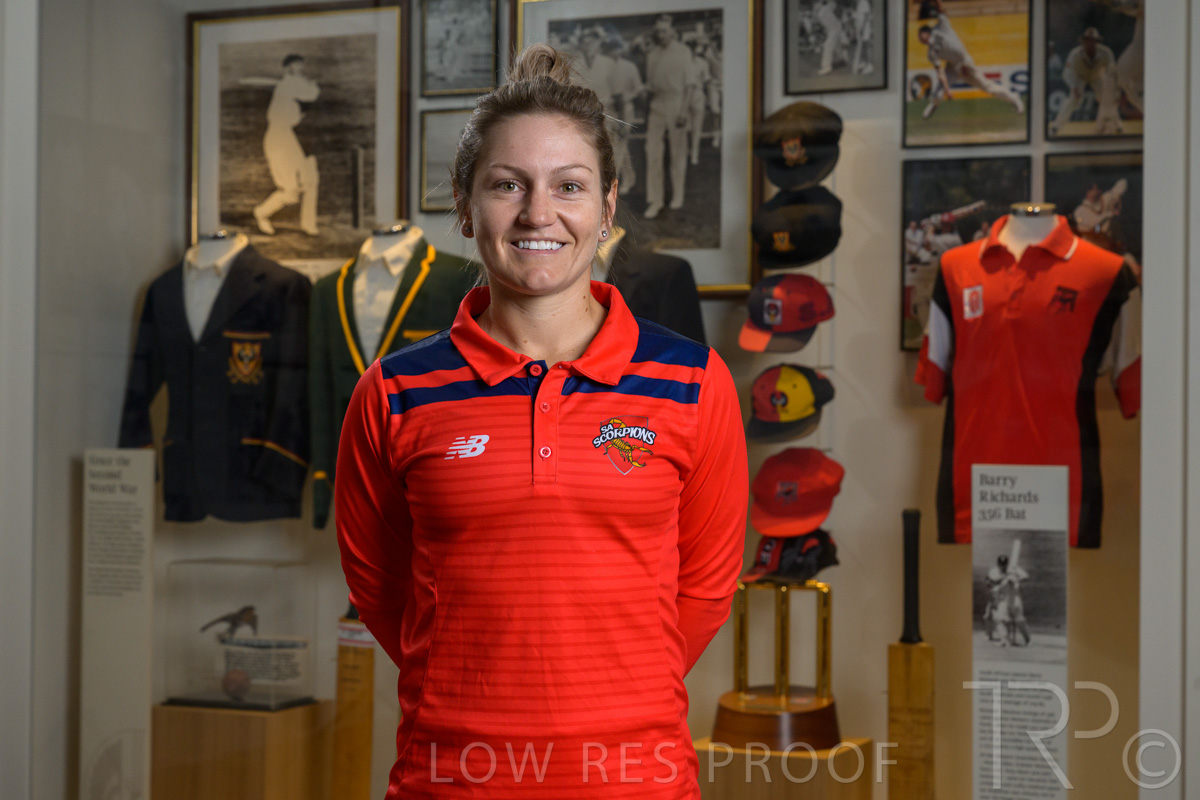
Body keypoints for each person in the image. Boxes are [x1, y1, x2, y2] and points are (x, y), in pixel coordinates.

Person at [335, 43, 748, 798]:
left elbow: (705, 591)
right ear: (465, 205)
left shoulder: (694, 383)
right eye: (507, 184)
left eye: (569, 186)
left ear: (607, 206)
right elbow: (382, 592)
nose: (538, 213)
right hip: (451, 779)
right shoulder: (392, 392)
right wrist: (475, 688)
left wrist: (608, 698)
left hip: (637, 782)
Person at [245, 54, 321, 236]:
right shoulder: (288, 85)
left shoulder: (292, 85)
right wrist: (312, 84)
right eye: (296, 65)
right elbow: (312, 94)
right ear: (288, 69)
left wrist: (308, 84)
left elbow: (307, 98)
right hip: (277, 139)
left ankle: (308, 225)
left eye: (301, 65)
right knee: (290, 191)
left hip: (289, 137)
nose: (300, 68)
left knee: (310, 182)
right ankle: (261, 213)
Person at [917, 0, 1024, 119]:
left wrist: (937, 2)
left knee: (986, 86)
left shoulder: (941, 27)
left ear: (927, 32)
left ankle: (1014, 98)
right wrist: (947, 91)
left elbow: (940, 9)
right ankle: (934, 105)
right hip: (952, 67)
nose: (920, 38)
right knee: (938, 92)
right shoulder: (931, 53)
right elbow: (940, 73)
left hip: (964, 61)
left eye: (920, 34)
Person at [643, 14, 697, 219]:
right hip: (657, 104)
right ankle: (655, 200)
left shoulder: (683, 52)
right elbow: (651, 86)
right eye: (657, 31)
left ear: (672, 31)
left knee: (677, 153)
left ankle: (678, 194)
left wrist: (684, 111)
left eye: (664, 31)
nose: (660, 34)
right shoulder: (652, 55)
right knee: (652, 151)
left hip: (677, 103)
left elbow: (690, 85)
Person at [1050, 27, 1121, 136]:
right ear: (1083, 42)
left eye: (1093, 41)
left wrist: (1112, 87)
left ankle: (1118, 126)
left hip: (1098, 76)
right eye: (1087, 40)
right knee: (1073, 99)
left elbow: (1112, 71)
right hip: (1079, 76)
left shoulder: (1105, 52)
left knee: (1106, 100)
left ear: (1097, 42)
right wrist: (1074, 87)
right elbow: (1067, 73)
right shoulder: (1075, 54)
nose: (1090, 43)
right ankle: (1055, 127)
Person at [605, 38, 644, 196]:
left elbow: (638, 89)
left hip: (626, 108)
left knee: (620, 144)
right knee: (619, 145)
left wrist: (626, 97)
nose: (614, 53)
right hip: (610, 110)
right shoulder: (607, 66)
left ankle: (613, 182)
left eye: (617, 49)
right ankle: (629, 178)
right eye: (611, 50)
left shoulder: (629, 67)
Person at [814, 0, 845, 76]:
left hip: (834, 30)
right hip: (833, 29)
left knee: (827, 47)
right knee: (836, 46)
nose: (815, 6)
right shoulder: (819, 13)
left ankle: (827, 67)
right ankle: (841, 59)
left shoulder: (826, 7)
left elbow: (833, 4)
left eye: (817, 4)